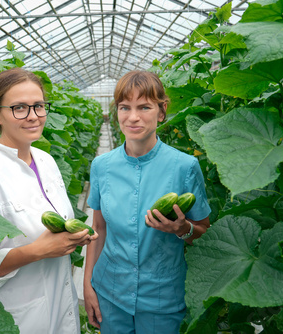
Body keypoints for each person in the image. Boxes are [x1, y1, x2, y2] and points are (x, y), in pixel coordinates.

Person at [0, 68, 97, 334]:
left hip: (61, 308)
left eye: (38, 106)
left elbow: (57, 225)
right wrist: (36, 251)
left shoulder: (46, 161)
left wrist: (74, 237)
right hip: (17, 318)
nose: (33, 116)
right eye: (19, 108)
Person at [83, 70, 211, 333]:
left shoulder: (185, 167)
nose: (133, 117)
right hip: (110, 292)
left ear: (161, 112)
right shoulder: (102, 166)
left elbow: (204, 233)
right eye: (124, 107)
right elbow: (99, 229)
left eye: (144, 107)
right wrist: (88, 286)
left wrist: (182, 229)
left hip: (163, 298)